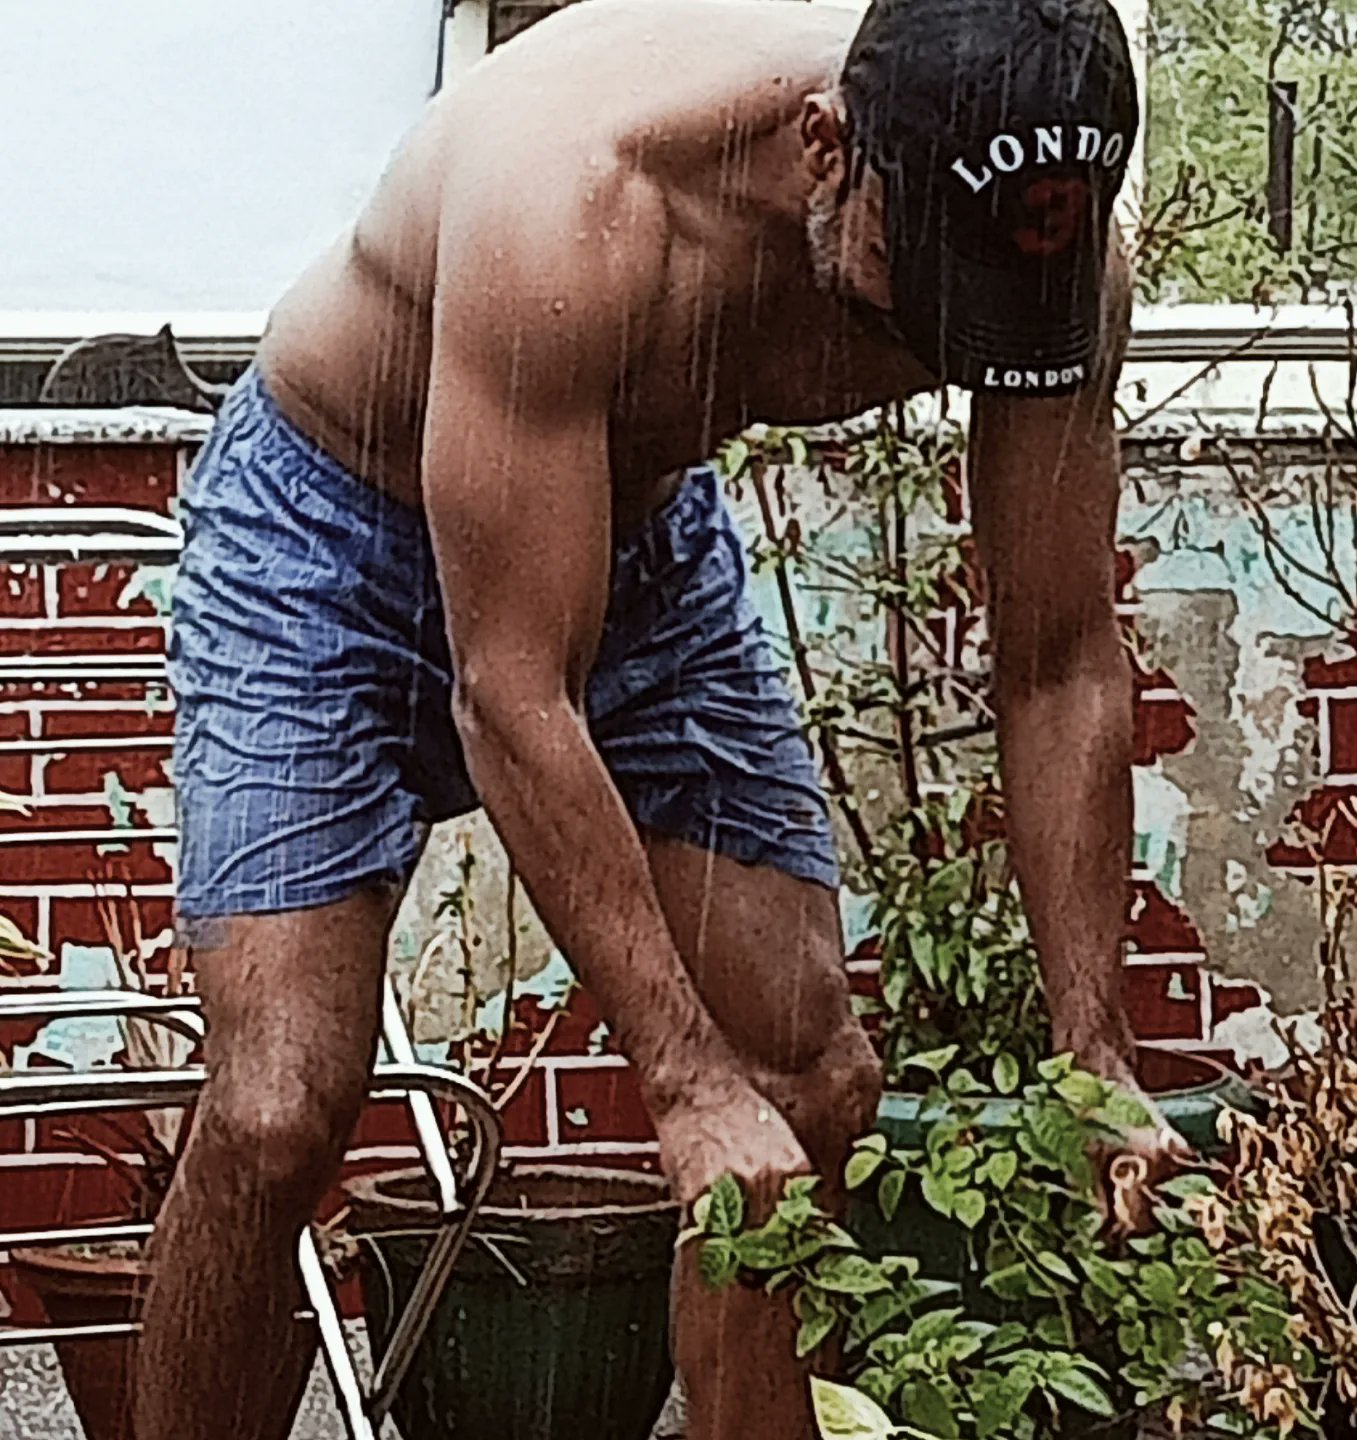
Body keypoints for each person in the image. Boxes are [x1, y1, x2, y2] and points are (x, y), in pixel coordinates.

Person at [142, 0, 1174, 1437]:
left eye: (987, 303)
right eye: (923, 277)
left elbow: (1058, 660)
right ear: (828, 146)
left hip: (630, 538)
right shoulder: (579, 195)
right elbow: (512, 695)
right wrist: (682, 1084)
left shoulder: (1048, 272)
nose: (944, 332)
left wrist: (1095, 1055)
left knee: (811, 1085)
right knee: (278, 1106)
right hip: (329, 534)